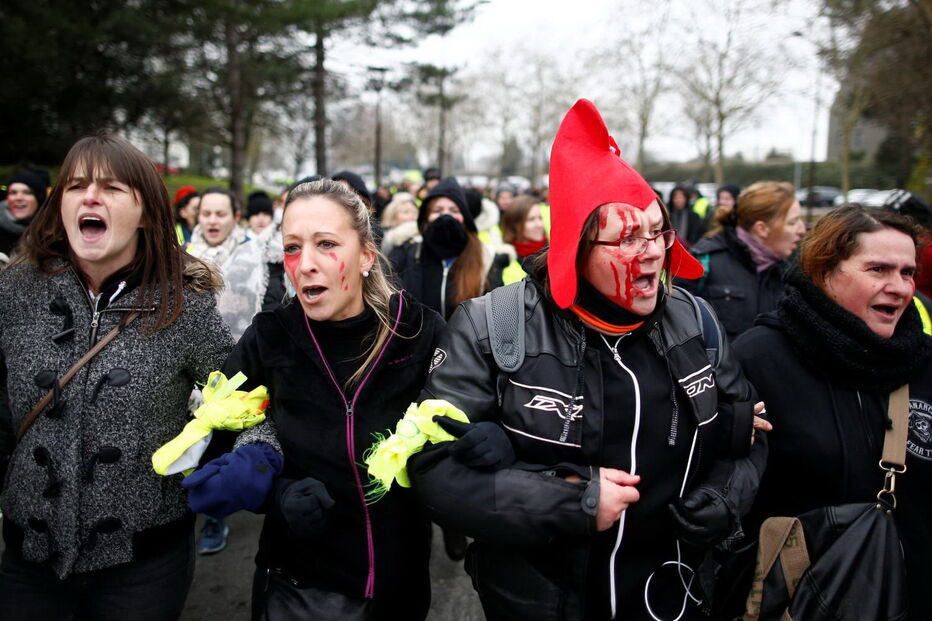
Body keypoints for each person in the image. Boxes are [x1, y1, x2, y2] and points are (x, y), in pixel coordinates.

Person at [408, 99, 766, 620]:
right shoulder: (491, 326)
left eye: (658, 231)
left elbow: (751, 434)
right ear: (576, 245)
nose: (651, 251)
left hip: (674, 596)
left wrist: (725, 498)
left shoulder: (697, 322)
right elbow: (433, 470)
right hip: (544, 602)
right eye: (626, 236)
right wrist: (570, 502)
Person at [181, 178, 445, 620]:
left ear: (365, 256)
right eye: (292, 248)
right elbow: (213, 437)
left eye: (326, 244)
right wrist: (273, 489)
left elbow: (454, 422)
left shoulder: (418, 331)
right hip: (299, 587)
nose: (305, 265)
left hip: (398, 582)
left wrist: (473, 443)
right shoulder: (270, 336)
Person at [0, 134, 233, 620]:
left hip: (144, 565)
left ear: (147, 213)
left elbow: (239, 401)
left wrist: (254, 458)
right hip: (28, 560)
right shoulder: (14, 292)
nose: (90, 197)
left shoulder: (183, 305)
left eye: (110, 188)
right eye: (76, 185)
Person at [729, 206, 932, 618]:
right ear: (825, 271)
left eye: (907, 272)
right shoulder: (760, 358)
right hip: (800, 600)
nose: (899, 287)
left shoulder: (925, 361)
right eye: (878, 269)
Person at [187, 187, 284, 554]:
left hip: (235, 362)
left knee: (220, 442)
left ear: (235, 217)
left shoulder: (254, 257)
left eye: (220, 214)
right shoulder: (181, 256)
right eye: (206, 213)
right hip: (187, 366)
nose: (212, 220)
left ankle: (214, 518)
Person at [679, 181, 806, 341]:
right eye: (793, 222)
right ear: (762, 229)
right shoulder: (703, 261)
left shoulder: (791, 272)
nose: (802, 230)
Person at [389, 176, 503, 320]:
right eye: (438, 210)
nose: (446, 216)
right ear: (425, 218)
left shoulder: (485, 259)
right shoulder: (407, 253)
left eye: (454, 210)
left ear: (465, 219)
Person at [500, 194, 548, 284]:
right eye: (531, 219)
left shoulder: (552, 252)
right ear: (515, 224)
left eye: (540, 218)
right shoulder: (504, 260)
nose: (539, 224)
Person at [1, 171, 48, 261]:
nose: (18, 198)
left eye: (27, 192)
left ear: (39, 199)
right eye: (13, 192)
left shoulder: (51, 235)